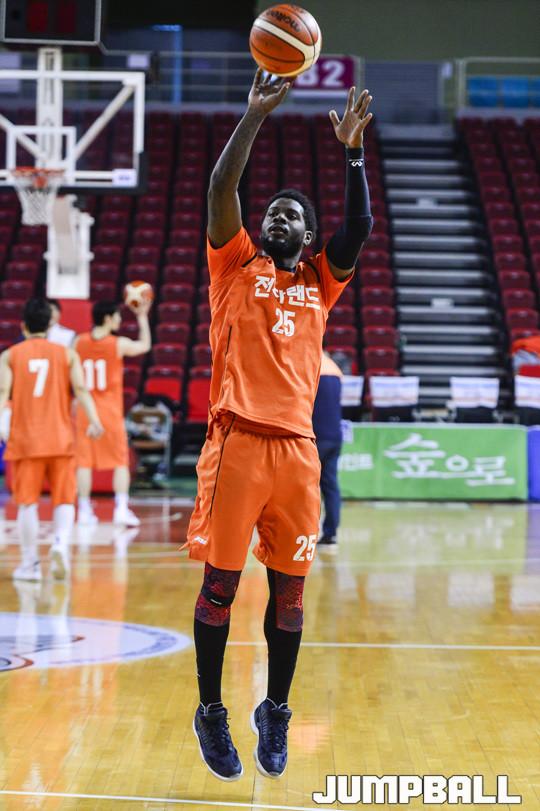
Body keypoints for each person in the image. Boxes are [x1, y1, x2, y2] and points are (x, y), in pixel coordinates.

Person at [184, 69, 373, 782]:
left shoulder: (320, 280)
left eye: (291, 214)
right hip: (237, 442)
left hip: (296, 452)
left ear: (309, 235)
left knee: (290, 596)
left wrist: (352, 153)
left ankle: (277, 709)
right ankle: (210, 710)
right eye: (272, 212)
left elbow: (360, 228)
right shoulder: (235, 265)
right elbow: (219, 189)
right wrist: (255, 115)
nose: (278, 218)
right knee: (221, 586)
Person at [0, 298, 103, 582]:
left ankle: (30, 564)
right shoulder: (67, 354)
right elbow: (81, 389)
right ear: (50, 325)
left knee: (27, 503)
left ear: (23, 326)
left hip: (26, 440)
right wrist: (95, 420)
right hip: (61, 439)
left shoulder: (9, 355)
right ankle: (60, 544)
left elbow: (2, 393)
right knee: (64, 499)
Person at [74, 299, 151, 527]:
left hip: (84, 410)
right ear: (108, 318)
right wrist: (142, 316)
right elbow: (145, 345)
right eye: (117, 316)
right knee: (120, 461)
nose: (119, 320)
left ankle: (84, 511)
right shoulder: (117, 344)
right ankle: (121, 508)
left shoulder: (78, 342)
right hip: (109, 411)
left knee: (83, 463)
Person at [312, 351, 344, 552]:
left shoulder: (310, 364)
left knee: (304, 488)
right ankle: (331, 534)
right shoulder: (335, 369)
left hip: (315, 437)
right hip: (335, 436)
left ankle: (301, 535)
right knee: (331, 487)